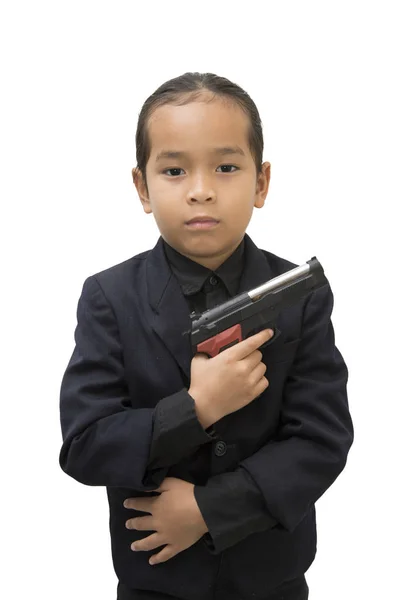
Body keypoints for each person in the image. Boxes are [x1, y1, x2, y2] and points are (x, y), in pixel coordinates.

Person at [59, 72, 354, 600]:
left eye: (226, 166)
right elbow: (86, 445)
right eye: (174, 170)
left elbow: (321, 440)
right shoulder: (108, 297)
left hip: (273, 580)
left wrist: (207, 510)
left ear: (261, 182)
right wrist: (197, 407)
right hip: (156, 584)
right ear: (142, 187)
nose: (201, 189)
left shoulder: (301, 295)